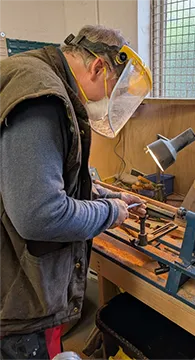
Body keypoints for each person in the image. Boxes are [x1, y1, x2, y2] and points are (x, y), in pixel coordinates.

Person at [0, 25, 152, 358]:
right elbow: (40, 214)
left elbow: (46, 179)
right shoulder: (42, 95)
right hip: (12, 304)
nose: (109, 101)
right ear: (99, 67)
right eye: (113, 89)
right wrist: (113, 214)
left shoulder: (30, 71)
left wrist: (107, 197)